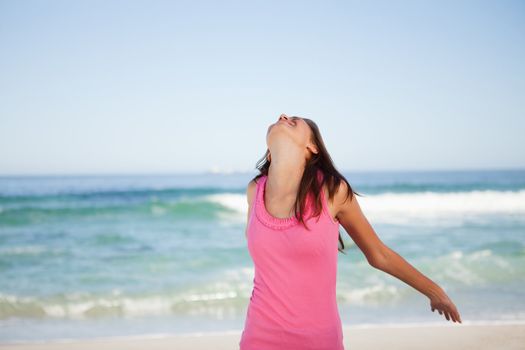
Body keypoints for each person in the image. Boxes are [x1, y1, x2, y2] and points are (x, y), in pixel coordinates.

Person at [239, 114, 462, 349]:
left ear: (312, 147)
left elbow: (378, 254)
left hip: (317, 339)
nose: (283, 116)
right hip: (258, 337)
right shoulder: (255, 190)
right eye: (281, 118)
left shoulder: (332, 191)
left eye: (294, 119)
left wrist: (434, 291)